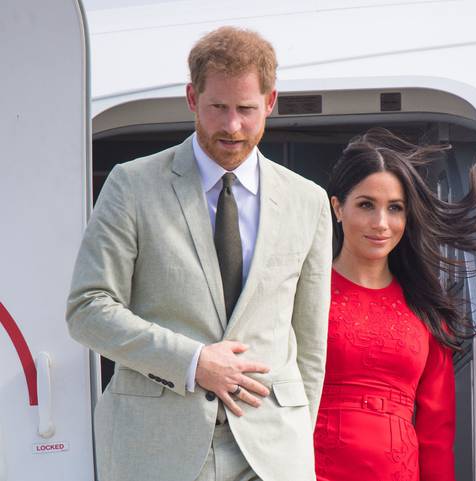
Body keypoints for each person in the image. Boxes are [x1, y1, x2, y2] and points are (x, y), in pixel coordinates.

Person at [66, 27, 332, 481]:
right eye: (218, 108)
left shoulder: (308, 201)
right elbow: (88, 310)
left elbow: (310, 346)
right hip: (156, 449)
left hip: (271, 455)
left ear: (270, 103)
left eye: (246, 109)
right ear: (192, 98)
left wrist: (292, 436)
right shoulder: (132, 185)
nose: (232, 126)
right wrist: (193, 363)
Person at [313, 128, 476, 481]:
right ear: (338, 207)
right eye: (366, 205)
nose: (381, 224)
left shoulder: (427, 309)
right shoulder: (305, 293)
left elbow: (436, 436)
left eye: (395, 209)